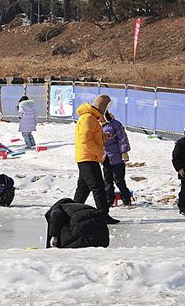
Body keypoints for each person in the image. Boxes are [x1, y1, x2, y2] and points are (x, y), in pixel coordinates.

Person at [73, 95, 117, 224]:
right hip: (88, 158)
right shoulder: (88, 118)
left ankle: (72, 211)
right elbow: (85, 140)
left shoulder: (91, 118)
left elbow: (92, 136)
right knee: (98, 187)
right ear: (102, 107)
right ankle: (103, 214)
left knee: (84, 187)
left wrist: (103, 137)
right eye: (106, 108)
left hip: (88, 157)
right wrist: (99, 153)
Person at [44, 198, 110, 249]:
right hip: (103, 239)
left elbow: (57, 215)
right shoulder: (76, 207)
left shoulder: (58, 206)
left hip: (84, 239)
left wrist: (54, 237)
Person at [102, 111, 132, 207]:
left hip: (117, 156)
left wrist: (124, 152)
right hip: (105, 156)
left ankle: (126, 199)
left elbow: (122, 138)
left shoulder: (115, 124)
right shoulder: (97, 124)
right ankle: (109, 200)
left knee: (119, 179)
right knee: (107, 180)